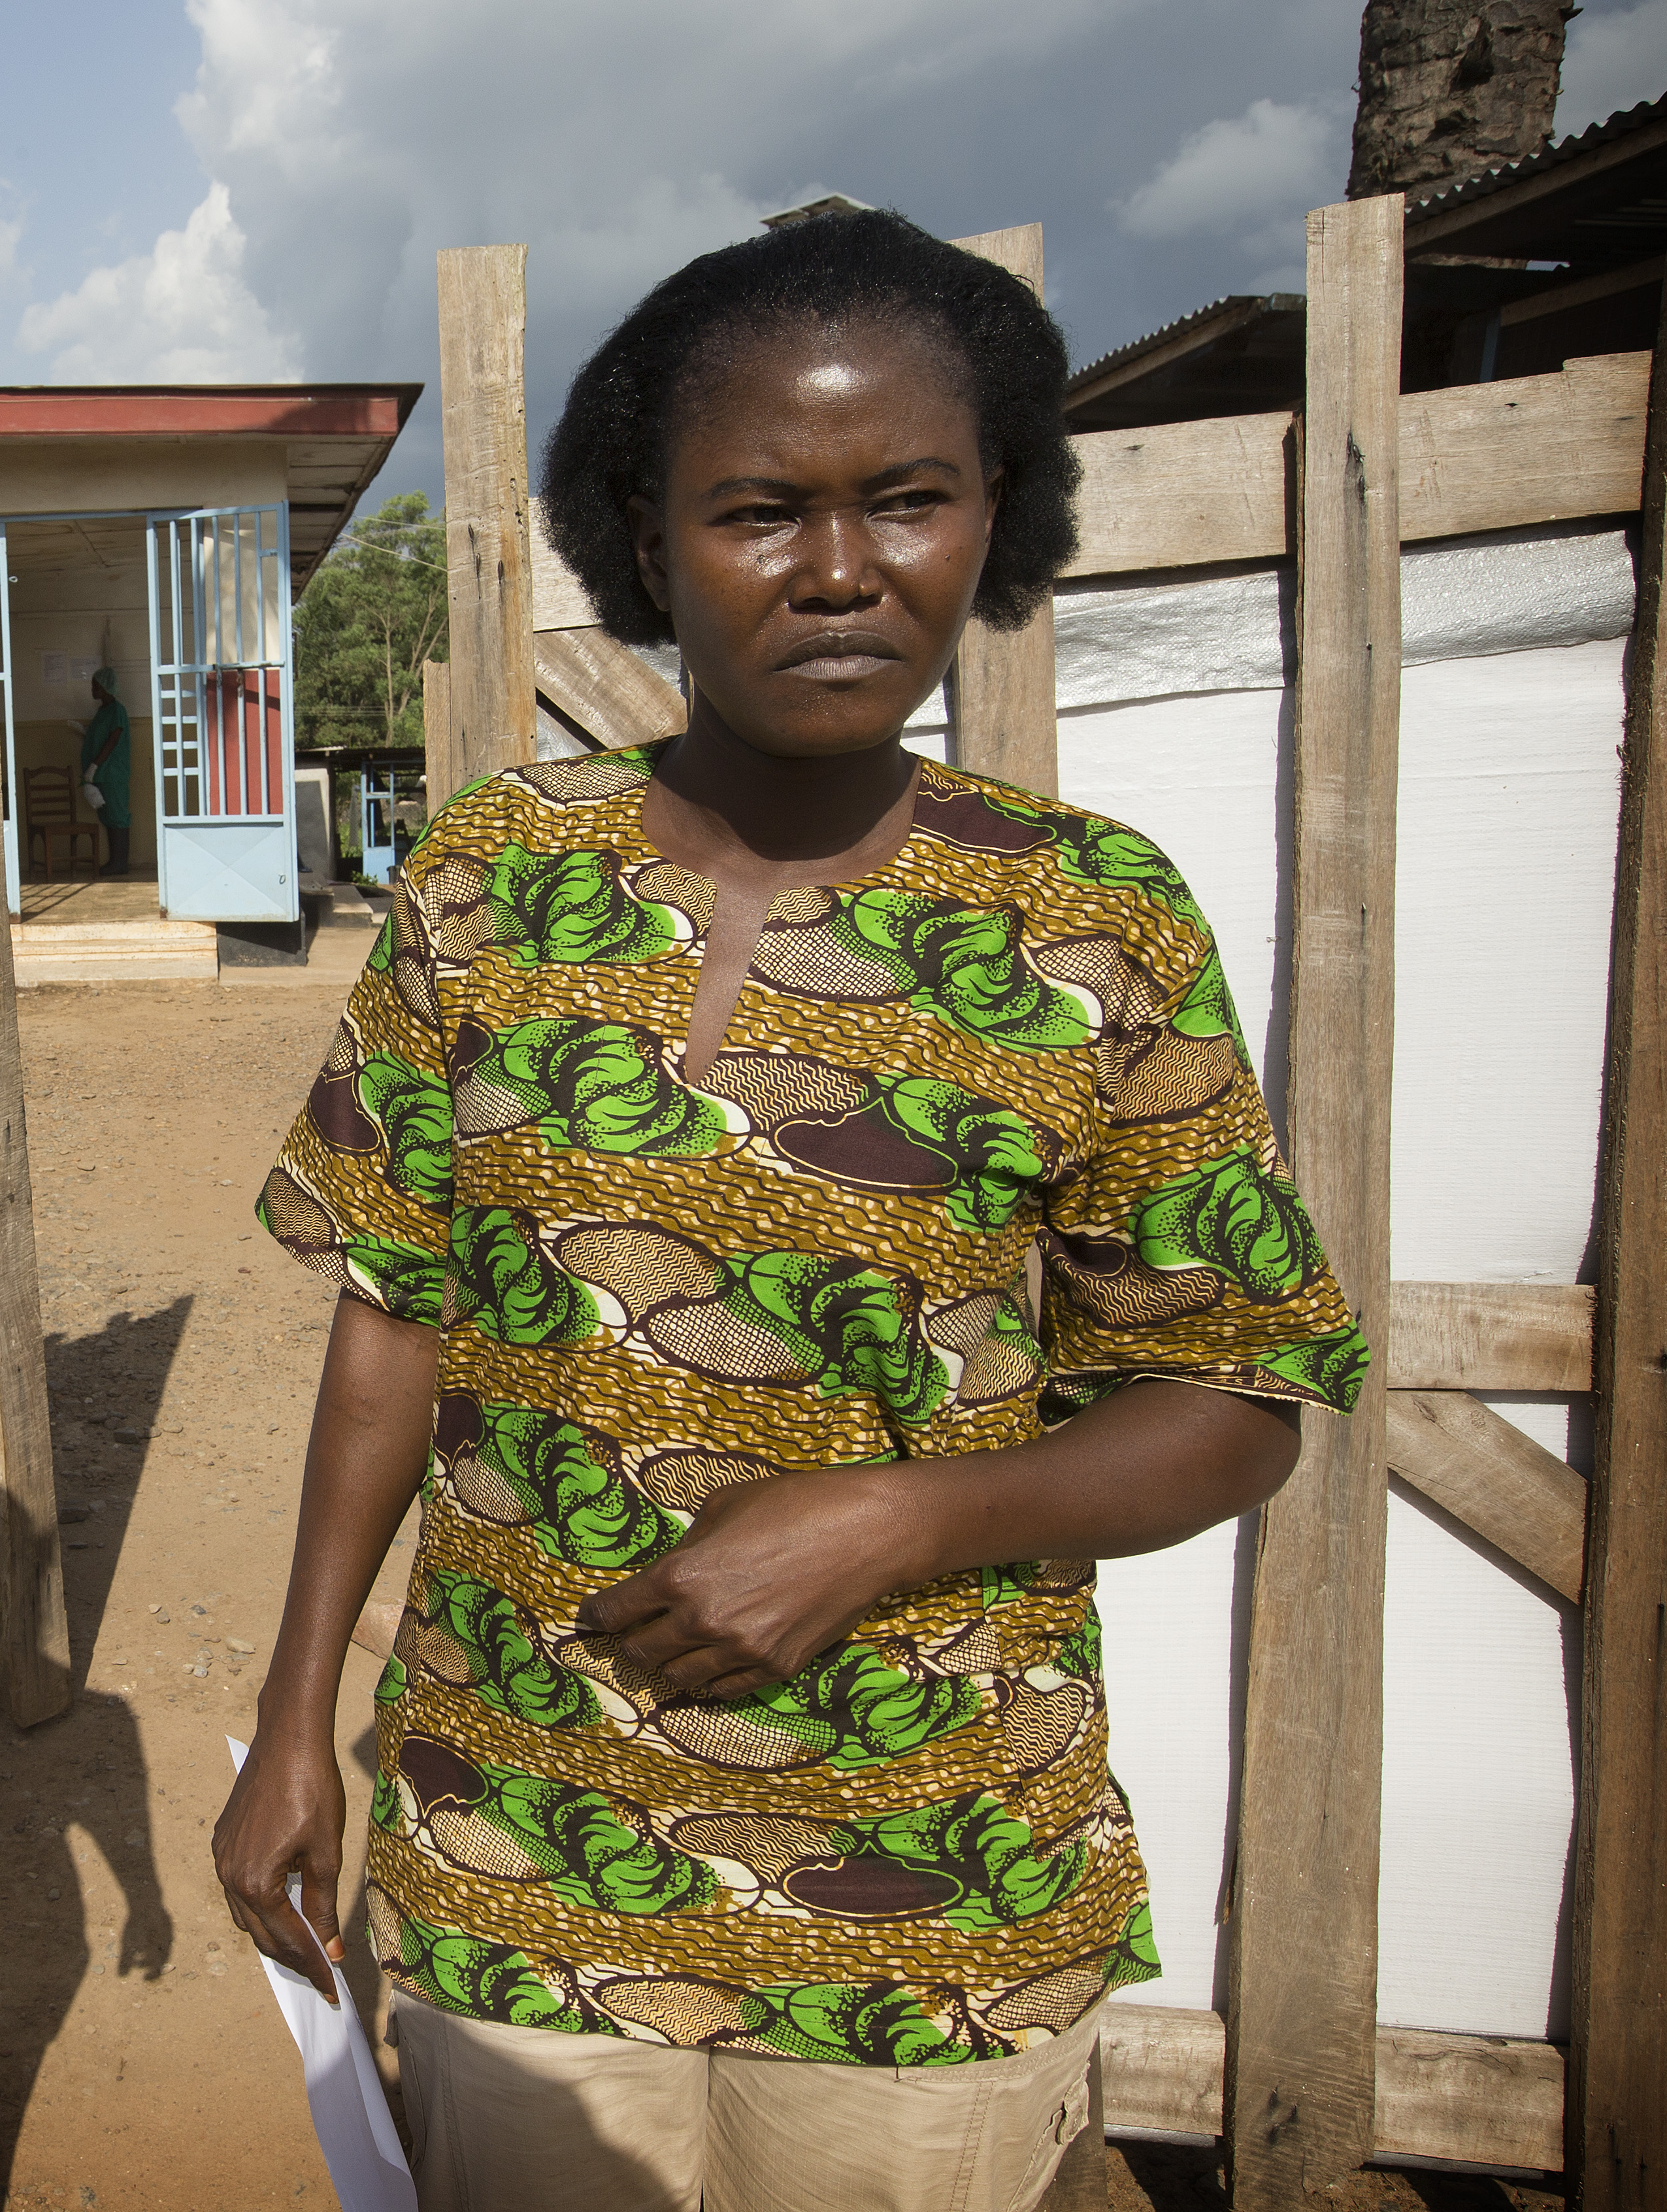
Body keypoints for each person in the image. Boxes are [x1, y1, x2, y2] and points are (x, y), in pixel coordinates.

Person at [213, 211, 1366, 2212]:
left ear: (987, 516)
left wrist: (908, 1512)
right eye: (759, 511)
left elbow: (1241, 1391)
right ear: (652, 545)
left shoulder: (1090, 917)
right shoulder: (487, 880)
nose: (841, 571)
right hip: (522, 1852)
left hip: (928, 1886)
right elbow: (395, 1311)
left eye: (906, 501)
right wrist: (290, 1712)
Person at [80, 666, 135, 877]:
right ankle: (115, 861)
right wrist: (85, 731)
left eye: (96, 686)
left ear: (106, 687)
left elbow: (112, 741)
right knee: (109, 817)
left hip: (112, 772)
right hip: (102, 774)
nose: (93, 689)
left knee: (118, 815)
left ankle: (121, 863)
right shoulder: (103, 711)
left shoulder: (117, 711)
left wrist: (94, 766)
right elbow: (101, 736)